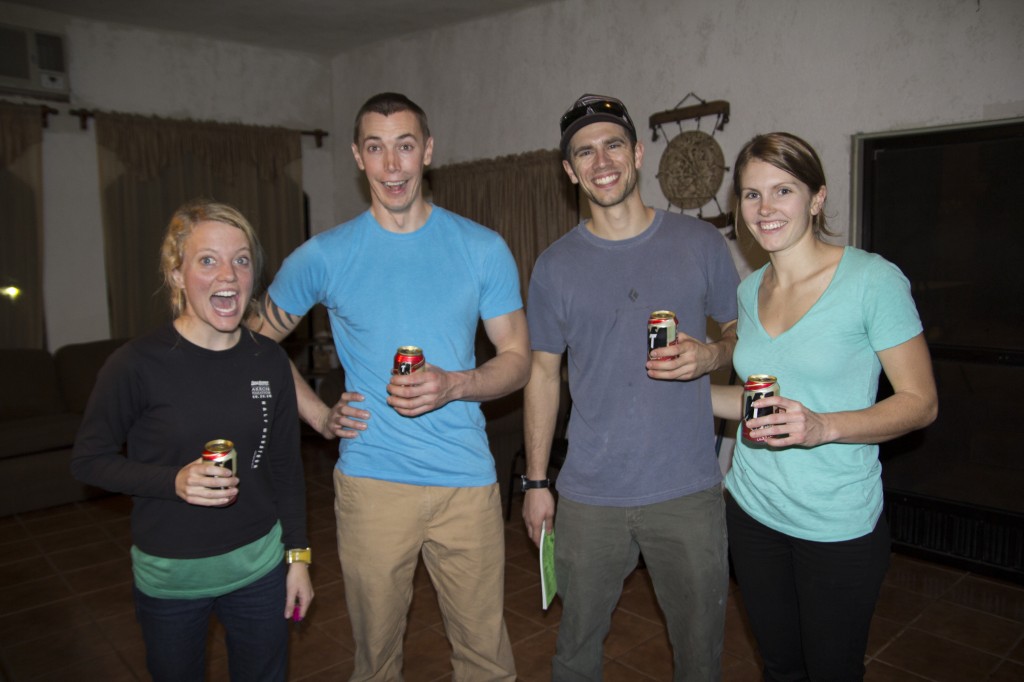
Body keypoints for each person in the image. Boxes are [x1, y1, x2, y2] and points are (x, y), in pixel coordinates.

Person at [253, 92, 528, 681]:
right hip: (373, 486)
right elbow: (253, 346)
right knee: (375, 662)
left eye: (405, 146)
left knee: (486, 660)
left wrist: (455, 383)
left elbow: (518, 361)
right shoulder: (323, 255)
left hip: (466, 484)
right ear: (358, 156)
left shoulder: (482, 248)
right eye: (376, 149)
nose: (392, 165)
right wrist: (319, 416)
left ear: (427, 151)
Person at [522, 94, 740, 681]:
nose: (602, 161)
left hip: (688, 490)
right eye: (584, 152)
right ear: (570, 171)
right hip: (591, 495)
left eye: (613, 144)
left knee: (700, 655)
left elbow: (740, 331)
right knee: (575, 651)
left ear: (638, 153)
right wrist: (537, 482)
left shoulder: (700, 245)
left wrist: (713, 354)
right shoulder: (554, 266)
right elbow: (542, 375)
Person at [715, 132, 939, 681]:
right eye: (750, 195)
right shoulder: (751, 291)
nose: (765, 209)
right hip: (752, 510)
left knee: (832, 671)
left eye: (782, 190)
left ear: (817, 198)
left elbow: (921, 403)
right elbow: (754, 402)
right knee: (779, 667)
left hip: (835, 523)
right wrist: (675, 393)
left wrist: (823, 426)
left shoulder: (871, 281)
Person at [71, 200, 313, 682]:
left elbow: (286, 466)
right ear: (176, 273)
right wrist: (172, 480)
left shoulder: (268, 360)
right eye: (208, 260)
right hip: (172, 578)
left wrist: (299, 558)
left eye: (241, 260)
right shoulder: (136, 364)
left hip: (260, 570)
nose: (228, 274)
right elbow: (89, 461)